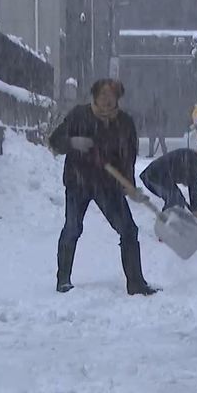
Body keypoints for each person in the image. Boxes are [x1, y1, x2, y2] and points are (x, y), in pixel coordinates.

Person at [48, 78, 159, 296]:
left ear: (118, 99)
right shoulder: (79, 115)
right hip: (78, 181)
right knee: (72, 228)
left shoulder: (124, 123)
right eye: (103, 96)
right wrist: (73, 142)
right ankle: (63, 280)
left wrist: (129, 185)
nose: (107, 101)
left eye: (112, 96)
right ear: (95, 96)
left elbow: (128, 157)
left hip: (107, 185)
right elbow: (55, 140)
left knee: (128, 229)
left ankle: (136, 283)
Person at [139, 143, 197, 218]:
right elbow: (194, 188)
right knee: (175, 200)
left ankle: (173, 223)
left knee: (178, 200)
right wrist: (196, 211)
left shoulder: (193, 157)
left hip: (158, 175)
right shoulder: (195, 162)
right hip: (154, 176)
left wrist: (194, 209)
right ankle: (166, 224)